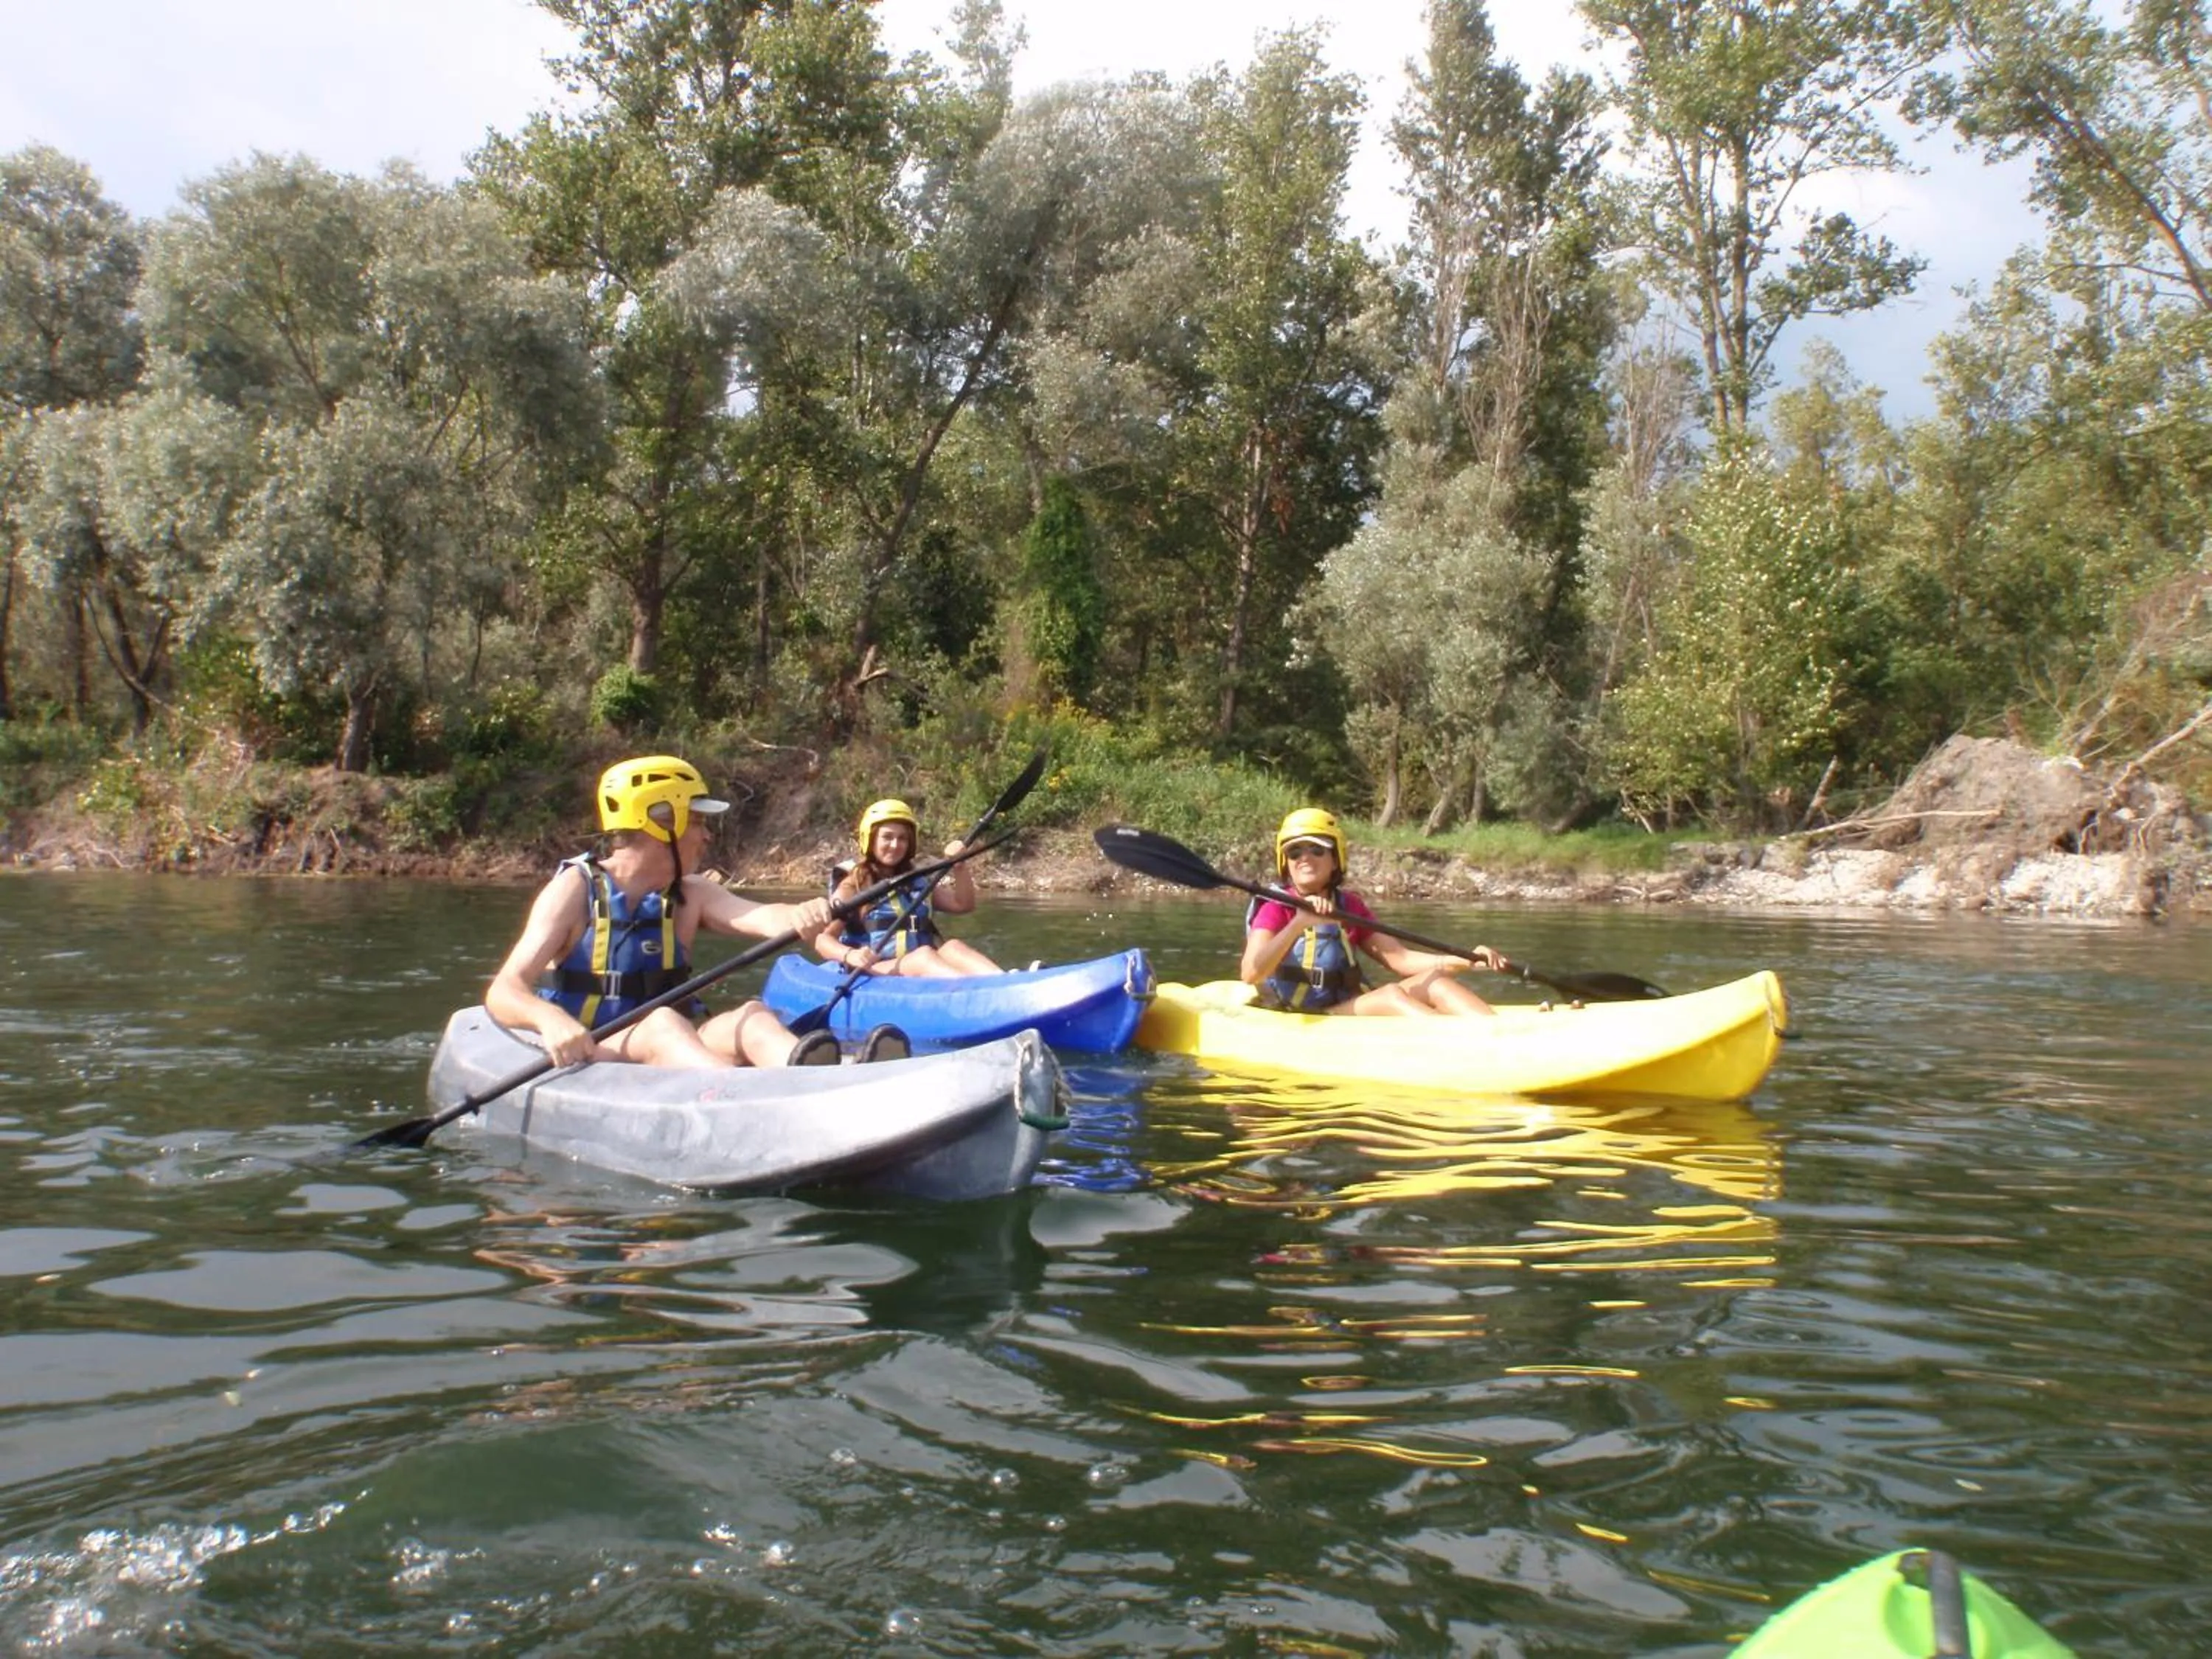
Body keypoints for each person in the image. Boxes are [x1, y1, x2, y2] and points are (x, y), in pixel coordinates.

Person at [487, 754, 908, 1068]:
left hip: (680, 1044)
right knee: (662, 1025)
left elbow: (763, 917)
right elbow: (505, 989)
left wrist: (801, 914)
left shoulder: (692, 893)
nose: (706, 837)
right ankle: (744, 1100)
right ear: (661, 823)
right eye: (698, 823)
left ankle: (817, 1081)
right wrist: (549, 1020)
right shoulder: (574, 891)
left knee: (751, 1017)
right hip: (598, 1049)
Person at [1242, 807, 1500, 1018]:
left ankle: (1495, 1034)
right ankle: (1461, 1046)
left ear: (1335, 860)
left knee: (1435, 981)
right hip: (1302, 1014)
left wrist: (1465, 960)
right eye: (1294, 852)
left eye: (1317, 849)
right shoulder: (1276, 909)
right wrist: (1299, 923)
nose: (1305, 858)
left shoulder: (1349, 906)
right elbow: (1251, 973)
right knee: (1390, 996)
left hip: (1347, 1005)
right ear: (1285, 861)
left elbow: (1400, 958)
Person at [815, 797, 1005, 978]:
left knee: (952, 947)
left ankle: (1004, 981)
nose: (895, 845)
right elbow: (823, 940)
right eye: (887, 837)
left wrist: (960, 866)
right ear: (871, 840)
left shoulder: (915, 881)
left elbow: (963, 904)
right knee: (923, 957)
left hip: (913, 967)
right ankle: (974, 992)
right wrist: (850, 955)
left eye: (902, 838)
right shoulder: (852, 885)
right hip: (875, 969)